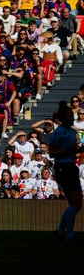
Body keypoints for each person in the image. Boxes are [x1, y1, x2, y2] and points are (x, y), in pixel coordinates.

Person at [48, 99, 83, 244]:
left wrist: (79, 149)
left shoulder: (71, 131)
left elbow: (72, 150)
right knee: (75, 203)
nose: (71, 118)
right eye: (68, 116)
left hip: (70, 165)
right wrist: (67, 150)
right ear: (62, 118)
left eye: (71, 115)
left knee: (75, 203)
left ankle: (61, 231)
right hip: (63, 167)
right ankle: (69, 234)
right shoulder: (59, 132)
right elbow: (52, 152)